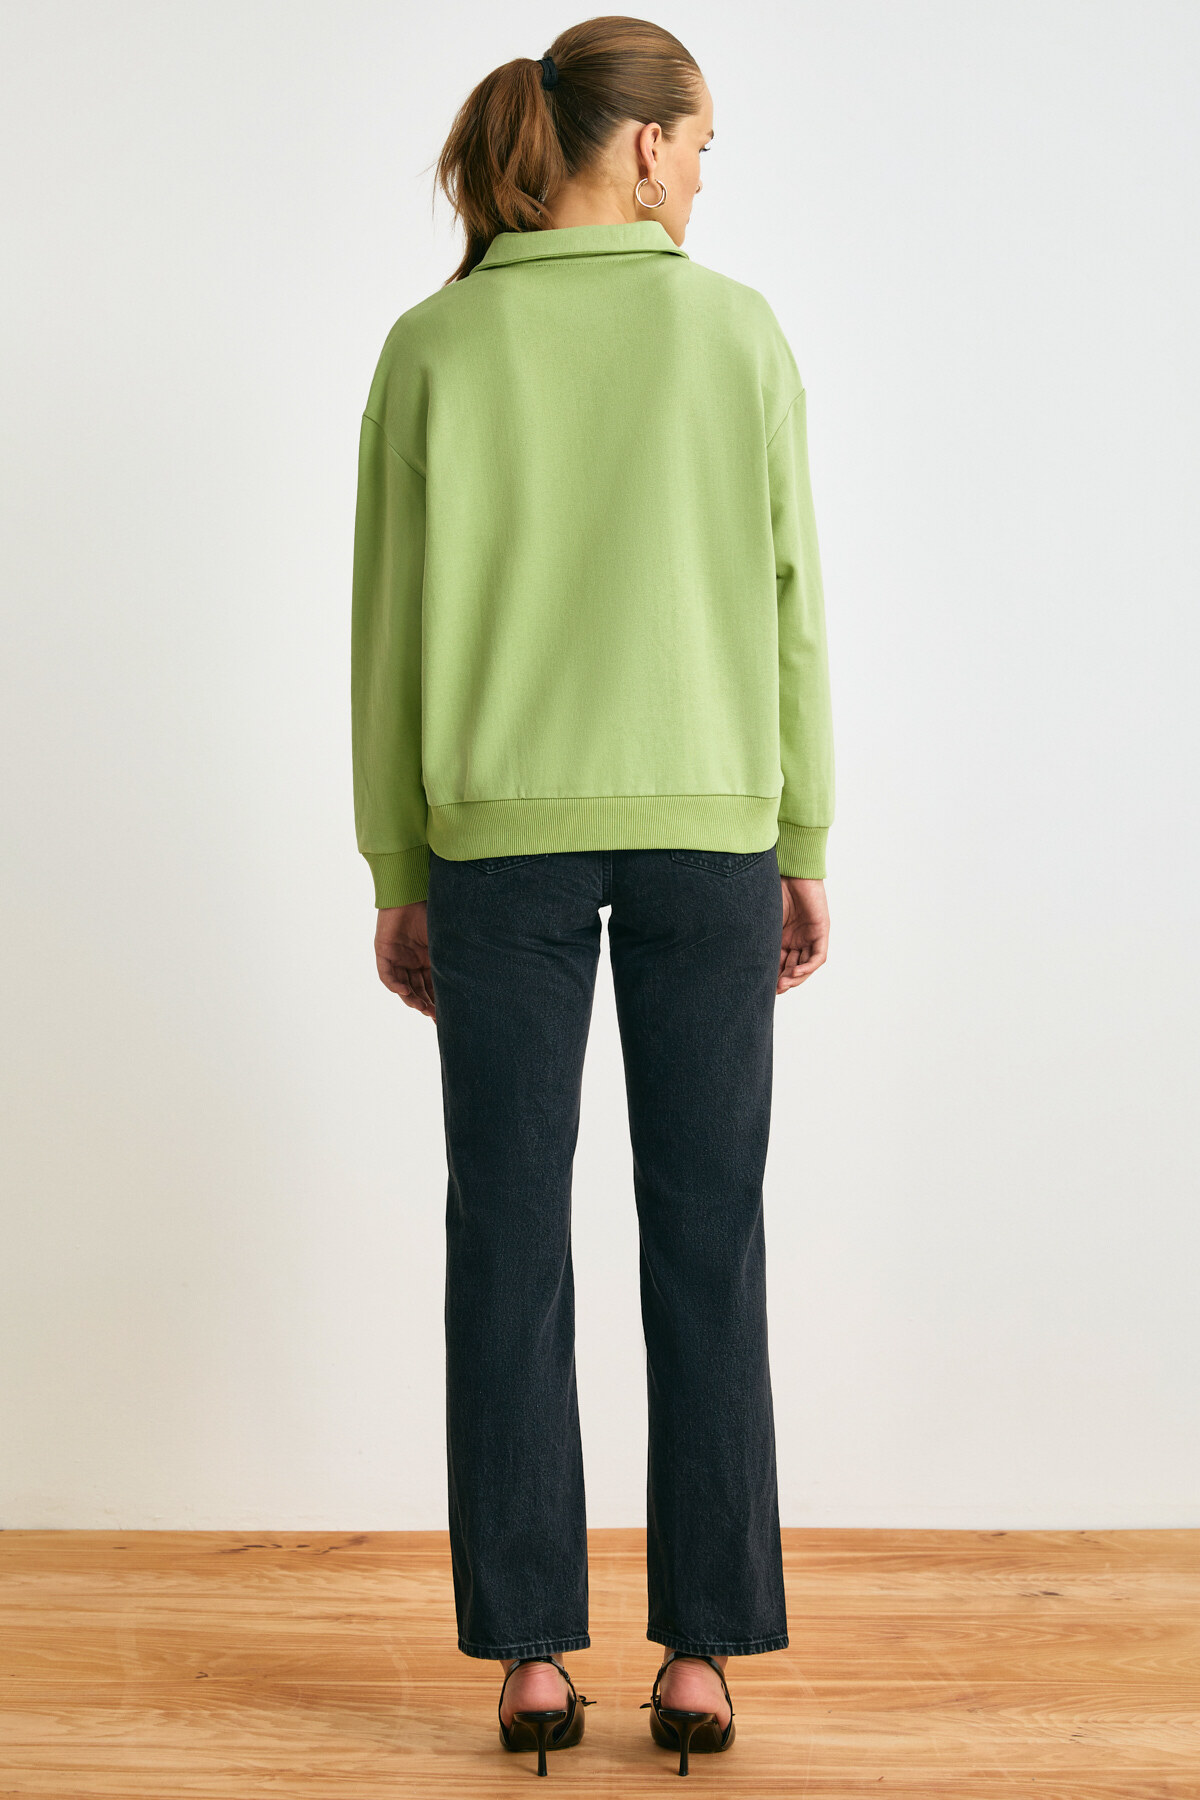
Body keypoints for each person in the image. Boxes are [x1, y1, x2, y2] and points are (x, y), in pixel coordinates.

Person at [350, 16, 835, 1777]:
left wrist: (398, 864)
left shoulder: (433, 346)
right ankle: (700, 1653)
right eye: (697, 147)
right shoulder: (737, 332)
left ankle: (532, 1658)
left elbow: (389, 627)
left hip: (497, 843)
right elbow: (790, 601)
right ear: (640, 149)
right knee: (710, 1230)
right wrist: (802, 833)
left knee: (507, 1233)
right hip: (713, 825)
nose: (699, 178)